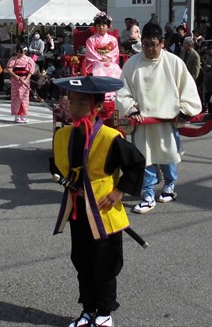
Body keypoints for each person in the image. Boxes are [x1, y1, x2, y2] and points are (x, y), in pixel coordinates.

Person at [50, 76, 145, 327]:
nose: (74, 107)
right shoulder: (64, 135)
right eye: (71, 102)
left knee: (104, 264)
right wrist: (69, 181)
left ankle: (104, 313)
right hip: (78, 211)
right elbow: (56, 167)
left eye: (81, 103)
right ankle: (87, 310)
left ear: (98, 107)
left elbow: (136, 164)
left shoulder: (110, 137)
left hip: (104, 211)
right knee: (81, 261)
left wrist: (119, 191)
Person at [116, 22, 201, 214]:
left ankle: (169, 186)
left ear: (162, 43)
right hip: (143, 122)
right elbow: (122, 92)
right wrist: (131, 110)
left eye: (153, 44)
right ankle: (147, 195)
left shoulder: (174, 62)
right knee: (144, 160)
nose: (149, 49)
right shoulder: (132, 64)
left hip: (167, 122)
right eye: (145, 44)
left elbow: (187, 88)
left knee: (168, 157)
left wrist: (184, 110)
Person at [7, 45, 36, 123]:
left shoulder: (29, 60)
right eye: (18, 52)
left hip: (24, 80)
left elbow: (30, 71)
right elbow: (9, 69)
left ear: (24, 52)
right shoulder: (13, 59)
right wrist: (15, 76)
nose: (19, 54)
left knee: (24, 98)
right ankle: (17, 116)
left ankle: (23, 116)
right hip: (15, 81)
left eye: (21, 52)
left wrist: (26, 79)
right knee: (16, 98)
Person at [181, 36, 202, 101]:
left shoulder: (195, 55)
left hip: (190, 78)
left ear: (189, 45)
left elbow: (196, 70)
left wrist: (192, 80)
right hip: (182, 77)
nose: (183, 44)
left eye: (185, 43)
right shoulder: (182, 52)